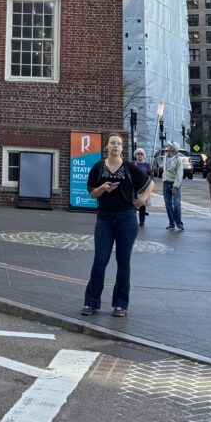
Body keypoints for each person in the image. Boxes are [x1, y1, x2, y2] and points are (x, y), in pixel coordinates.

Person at [82, 132, 153, 317]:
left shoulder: (129, 167)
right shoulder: (98, 167)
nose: (115, 146)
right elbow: (92, 194)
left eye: (119, 144)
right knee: (100, 260)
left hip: (127, 218)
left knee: (123, 261)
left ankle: (120, 304)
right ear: (106, 146)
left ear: (122, 148)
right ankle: (91, 302)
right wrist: (102, 188)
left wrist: (142, 200)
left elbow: (149, 183)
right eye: (112, 143)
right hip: (104, 218)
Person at [163, 141, 185, 231]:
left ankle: (179, 223)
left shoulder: (178, 159)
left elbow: (180, 174)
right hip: (166, 182)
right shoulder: (165, 157)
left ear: (174, 148)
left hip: (174, 183)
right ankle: (171, 223)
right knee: (168, 204)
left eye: (170, 146)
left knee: (176, 204)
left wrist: (175, 186)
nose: (168, 147)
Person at [133, 149, 152, 228]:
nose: (140, 155)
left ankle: (142, 221)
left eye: (141, 154)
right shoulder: (132, 164)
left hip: (143, 187)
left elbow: (150, 176)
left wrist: (147, 186)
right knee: (133, 205)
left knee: (142, 205)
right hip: (133, 187)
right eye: (138, 154)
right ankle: (132, 220)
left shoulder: (147, 165)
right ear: (135, 155)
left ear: (144, 155)